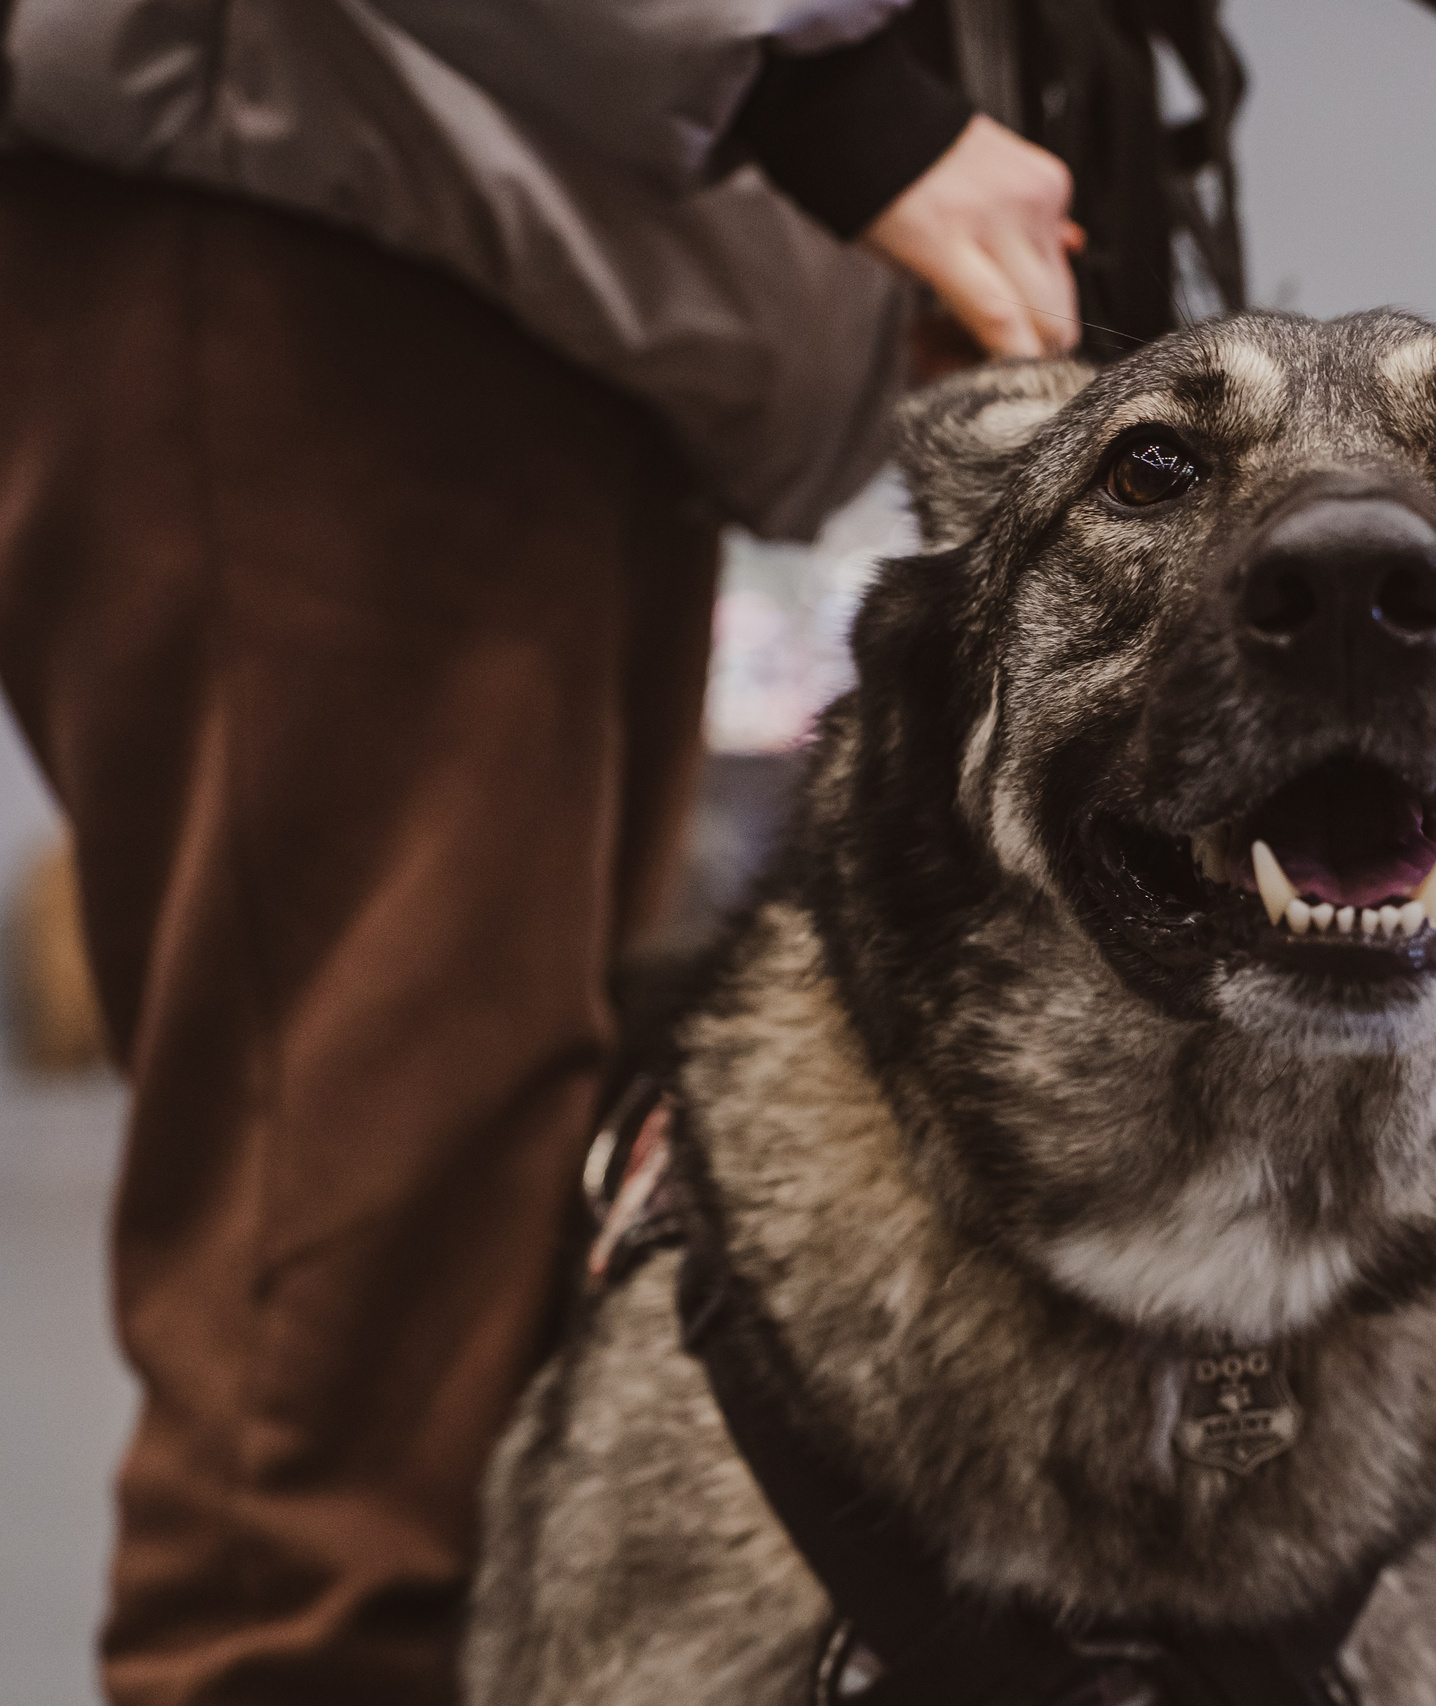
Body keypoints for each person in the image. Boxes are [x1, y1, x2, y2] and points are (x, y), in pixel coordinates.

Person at [0, 7, 1089, 1700]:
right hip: (325, 215)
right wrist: (834, 100)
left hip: (546, 276)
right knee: (341, 1368)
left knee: (477, 1304)